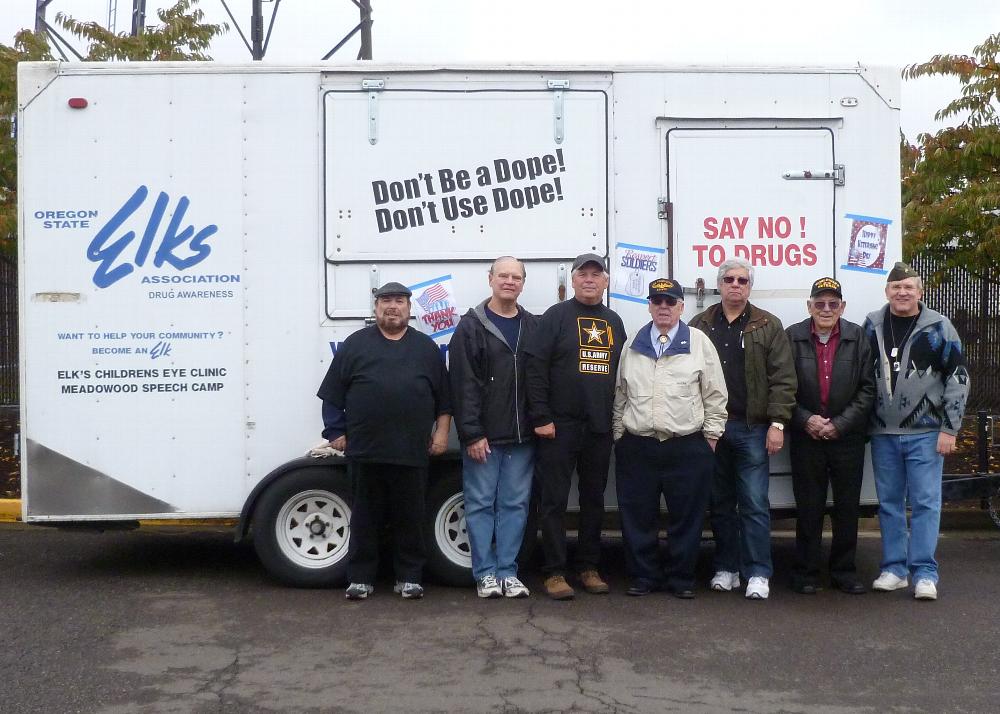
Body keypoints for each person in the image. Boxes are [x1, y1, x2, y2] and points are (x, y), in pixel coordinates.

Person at [317, 281, 451, 601]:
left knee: (411, 516)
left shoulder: (426, 348)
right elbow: (332, 396)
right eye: (385, 301)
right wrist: (335, 432)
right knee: (365, 517)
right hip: (365, 450)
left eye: (399, 301)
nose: (392, 306)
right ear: (375, 308)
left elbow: (444, 400)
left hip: (411, 450)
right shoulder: (355, 344)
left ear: (409, 308)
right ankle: (361, 577)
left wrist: (442, 433)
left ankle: (409, 577)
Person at [612, 278, 728, 598]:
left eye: (670, 302)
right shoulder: (633, 342)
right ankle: (643, 577)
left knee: (686, 518)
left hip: (687, 445)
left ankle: (681, 578)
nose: (663, 307)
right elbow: (621, 394)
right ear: (650, 305)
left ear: (681, 306)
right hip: (639, 445)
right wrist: (620, 435)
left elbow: (715, 394)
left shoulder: (699, 342)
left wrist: (711, 437)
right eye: (657, 301)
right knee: (638, 517)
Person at [689, 258, 796, 600]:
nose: (736, 285)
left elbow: (783, 379)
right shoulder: (699, 325)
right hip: (713, 429)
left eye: (743, 280)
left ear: (750, 286)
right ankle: (726, 568)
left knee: (752, 502)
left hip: (752, 429)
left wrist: (777, 423)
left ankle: (758, 572)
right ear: (719, 285)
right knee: (719, 502)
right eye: (729, 279)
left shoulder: (768, 324)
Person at [863, 262, 969, 601]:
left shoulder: (939, 327)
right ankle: (894, 569)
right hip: (882, 433)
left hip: (925, 433)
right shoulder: (872, 325)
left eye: (909, 287)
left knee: (925, 502)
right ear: (887, 292)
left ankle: (925, 572)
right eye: (896, 287)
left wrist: (950, 429)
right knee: (890, 504)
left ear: (920, 292)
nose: (902, 292)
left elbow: (958, 379)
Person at [524, 253, 626, 600]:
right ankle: (554, 572)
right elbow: (535, 369)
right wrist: (541, 417)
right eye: (583, 274)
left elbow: (620, 375)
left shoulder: (613, 321)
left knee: (594, 500)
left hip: (598, 428)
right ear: (573, 279)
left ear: (606, 282)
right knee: (552, 501)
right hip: (558, 427)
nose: (589, 280)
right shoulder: (555, 317)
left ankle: (587, 567)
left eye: (596, 275)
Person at [448, 257, 537, 599]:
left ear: (523, 283)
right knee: (481, 504)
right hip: (484, 437)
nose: (509, 281)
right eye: (503, 275)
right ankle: (485, 573)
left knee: (515, 505)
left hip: (522, 437)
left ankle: (508, 572)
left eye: (516, 277)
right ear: (491, 279)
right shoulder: (470, 327)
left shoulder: (532, 325)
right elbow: (463, 385)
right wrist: (471, 433)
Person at [786, 277, 875, 595]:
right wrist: (806, 420)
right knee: (808, 507)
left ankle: (844, 571)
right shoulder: (793, 336)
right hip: (806, 436)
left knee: (847, 507)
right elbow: (782, 387)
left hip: (847, 437)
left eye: (832, 303)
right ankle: (806, 572)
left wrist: (839, 424)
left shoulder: (858, 337)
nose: (826, 309)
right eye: (819, 303)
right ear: (809, 305)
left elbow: (868, 389)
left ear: (843, 307)